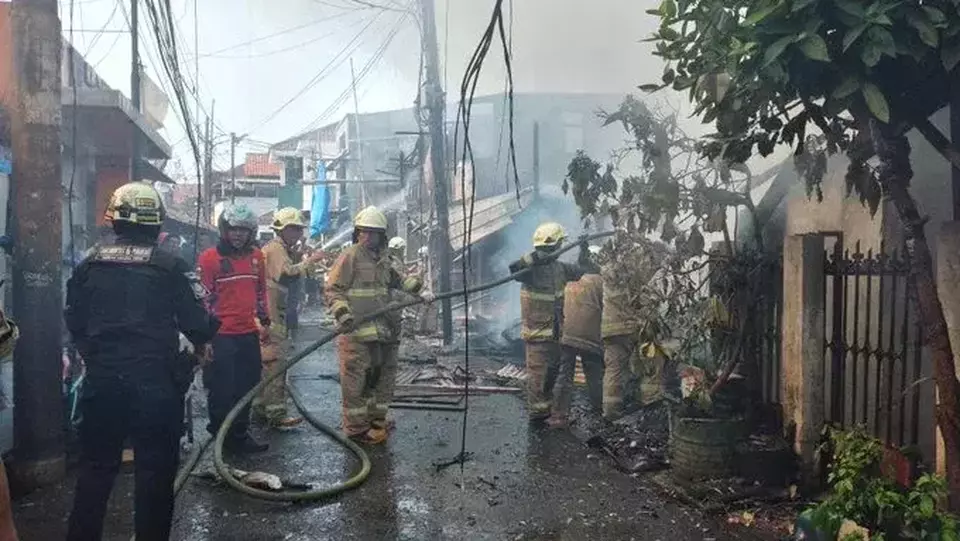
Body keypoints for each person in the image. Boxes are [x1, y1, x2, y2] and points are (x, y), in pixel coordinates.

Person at [64, 182, 219, 541]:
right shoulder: (171, 265)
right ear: (157, 224)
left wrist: (95, 355)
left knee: (95, 472)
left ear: (115, 220)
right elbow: (198, 323)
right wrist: (202, 343)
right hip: (155, 388)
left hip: (102, 384)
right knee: (154, 474)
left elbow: (74, 319)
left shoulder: (89, 262)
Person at [326, 207, 432, 444]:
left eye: (374, 233)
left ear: (382, 236)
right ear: (357, 233)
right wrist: (343, 315)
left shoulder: (384, 260)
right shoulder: (350, 256)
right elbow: (334, 290)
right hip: (355, 332)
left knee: (377, 378)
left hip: (380, 331)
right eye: (364, 232)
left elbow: (400, 282)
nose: (368, 237)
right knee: (355, 381)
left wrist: (422, 291)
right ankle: (355, 429)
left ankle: (375, 421)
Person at [196, 204, 271, 453]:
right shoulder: (209, 259)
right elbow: (203, 300)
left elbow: (261, 292)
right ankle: (220, 435)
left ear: (252, 233)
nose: (238, 235)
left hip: (247, 333)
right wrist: (204, 338)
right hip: (221, 336)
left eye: (244, 230)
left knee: (248, 384)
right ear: (224, 230)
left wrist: (265, 320)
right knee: (221, 388)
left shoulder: (257, 257)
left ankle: (239, 433)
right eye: (234, 230)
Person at [508, 222, 585, 423]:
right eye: (560, 244)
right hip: (536, 334)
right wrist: (535, 258)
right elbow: (514, 268)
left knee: (554, 371)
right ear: (555, 245)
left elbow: (581, 271)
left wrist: (584, 250)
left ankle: (549, 408)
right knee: (537, 376)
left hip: (556, 332)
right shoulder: (530, 271)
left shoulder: (560, 268)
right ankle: (537, 413)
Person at [256, 207, 322, 428]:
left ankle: (261, 408)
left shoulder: (280, 249)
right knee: (276, 363)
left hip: (274, 314)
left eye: (299, 229)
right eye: (294, 229)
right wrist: (310, 261)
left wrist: (300, 252)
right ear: (282, 230)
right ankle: (276, 414)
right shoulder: (275, 249)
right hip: (272, 317)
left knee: (267, 364)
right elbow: (286, 274)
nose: (298, 234)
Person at [551, 246, 605, 427]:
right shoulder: (600, 281)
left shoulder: (569, 280)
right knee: (594, 374)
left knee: (564, 373)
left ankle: (558, 415)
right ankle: (600, 412)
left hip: (566, 333)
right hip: (589, 336)